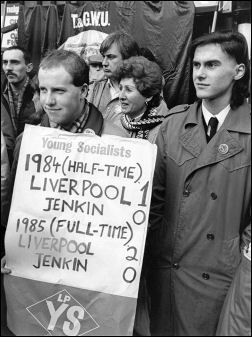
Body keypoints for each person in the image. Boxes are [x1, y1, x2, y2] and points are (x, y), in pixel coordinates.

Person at [145, 31, 251, 336]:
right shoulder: (172, 126)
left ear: (238, 71)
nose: (200, 74)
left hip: (222, 276)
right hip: (168, 271)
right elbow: (153, 202)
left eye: (212, 65)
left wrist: (240, 262)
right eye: (196, 65)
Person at [113, 56, 169, 143]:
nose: (121, 96)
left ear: (148, 96)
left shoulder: (162, 131)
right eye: (120, 88)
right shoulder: (114, 122)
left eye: (129, 90)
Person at [1, 46, 42, 165]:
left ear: (28, 67)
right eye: (5, 62)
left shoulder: (41, 95)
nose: (8, 68)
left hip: (31, 161)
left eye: (15, 62)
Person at [87, 31, 140, 119]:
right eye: (104, 57)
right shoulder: (93, 89)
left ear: (128, 58)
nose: (104, 63)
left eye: (111, 57)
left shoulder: (144, 92)